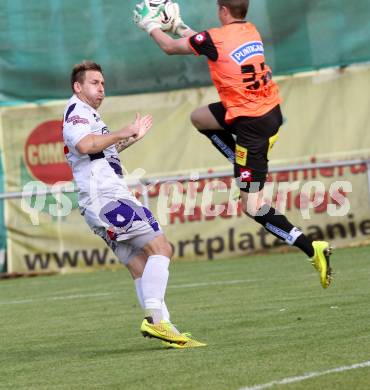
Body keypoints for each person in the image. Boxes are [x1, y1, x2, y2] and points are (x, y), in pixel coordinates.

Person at [133, 0, 333, 288]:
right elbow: (211, 46)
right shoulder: (250, 31)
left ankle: (311, 247)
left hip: (251, 126)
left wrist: (150, 24)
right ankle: (239, 162)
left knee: (253, 206)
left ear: (222, 10)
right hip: (260, 111)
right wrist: (178, 26)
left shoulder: (215, 37)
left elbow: (170, 47)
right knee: (199, 118)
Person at [62, 60, 205, 348]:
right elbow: (84, 145)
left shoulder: (88, 113)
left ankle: (167, 330)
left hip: (99, 200)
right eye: (94, 83)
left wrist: (130, 139)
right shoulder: (77, 113)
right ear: (78, 87)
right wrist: (122, 131)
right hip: (106, 198)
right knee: (161, 247)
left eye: (103, 83)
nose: (101, 88)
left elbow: (99, 152)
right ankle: (155, 320)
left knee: (139, 266)